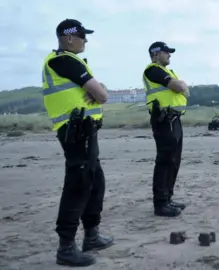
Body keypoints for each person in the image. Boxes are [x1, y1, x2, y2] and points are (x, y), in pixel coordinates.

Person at [42, 19, 114, 267]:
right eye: (83, 35)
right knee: (78, 185)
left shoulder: (74, 62)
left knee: (95, 182)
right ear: (69, 37)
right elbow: (102, 95)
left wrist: (97, 89)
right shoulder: (62, 60)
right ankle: (66, 248)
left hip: (85, 131)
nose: (86, 40)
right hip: (75, 132)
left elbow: (100, 90)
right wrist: (98, 91)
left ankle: (91, 236)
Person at [143, 41, 190, 217]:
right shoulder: (152, 70)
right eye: (166, 52)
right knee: (165, 161)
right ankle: (161, 203)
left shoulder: (167, 72)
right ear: (156, 54)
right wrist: (182, 85)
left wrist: (182, 86)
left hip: (174, 119)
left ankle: (168, 198)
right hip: (164, 119)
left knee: (174, 160)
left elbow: (183, 90)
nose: (169, 55)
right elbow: (179, 87)